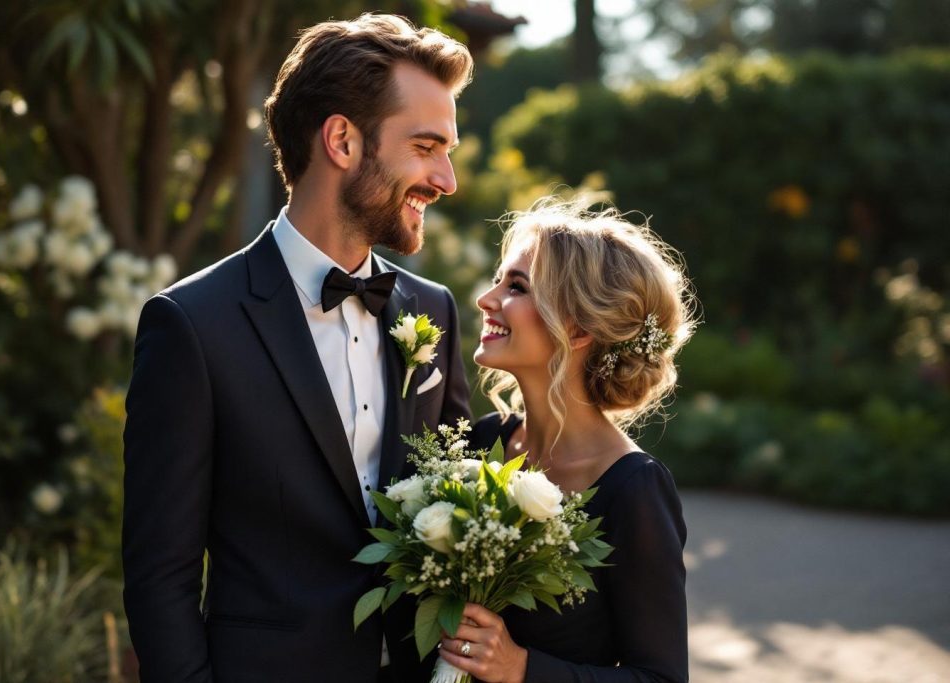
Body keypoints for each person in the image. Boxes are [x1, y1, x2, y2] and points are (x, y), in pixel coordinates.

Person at [122, 14, 473, 683]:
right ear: (342, 139)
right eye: (427, 146)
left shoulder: (433, 311)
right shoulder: (192, 326)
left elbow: (455, 500)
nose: (446, 179)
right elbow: (158, 578)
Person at [440, 199, 695, 682]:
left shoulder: (633, 489)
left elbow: (660, 677)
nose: (486, 299)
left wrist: (521, 668)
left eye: (515, 286)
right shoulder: (481, 441)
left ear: (577, 328)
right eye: (499, 279)